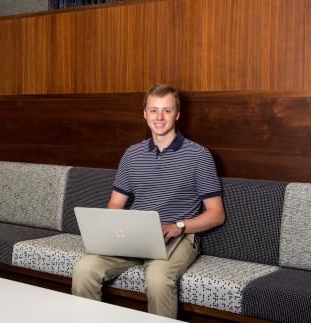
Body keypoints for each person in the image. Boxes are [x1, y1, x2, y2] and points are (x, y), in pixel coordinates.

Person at [71, 83, 225, 319]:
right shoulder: (132, 154)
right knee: (85, 268)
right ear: (144, 114)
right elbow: (115, 203)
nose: (159, 117)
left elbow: (216, 214)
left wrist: (179, 226)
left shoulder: (199, 155)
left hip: (178, 236)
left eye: (166, 110)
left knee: (157, 278)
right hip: (135, 234)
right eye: (153, 110)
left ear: (177, 114)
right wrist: (116, 228)